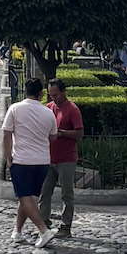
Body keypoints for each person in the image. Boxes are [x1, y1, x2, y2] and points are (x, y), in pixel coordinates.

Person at [1, 77, 60, 250]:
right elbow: (53, 136)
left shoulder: (15, 108)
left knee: (24, 197)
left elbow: (6, 133)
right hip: (42, 161)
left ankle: (43, 230)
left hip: (22, 160)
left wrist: (8, 156)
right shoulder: (48, 112)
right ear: (41, 94)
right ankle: (17, 230)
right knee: (27, 197)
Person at [39, 76, 84, 242]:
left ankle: (66, 226)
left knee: (67, 194)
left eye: (56, 95)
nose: (53, 98)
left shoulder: (72, 109)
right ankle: (43, 224)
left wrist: (61, 133)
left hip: (66, 158)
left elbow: (79, 132)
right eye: (50, 95)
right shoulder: (48, 108)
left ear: (63, 92)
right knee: (44, 192)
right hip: (49, 157)